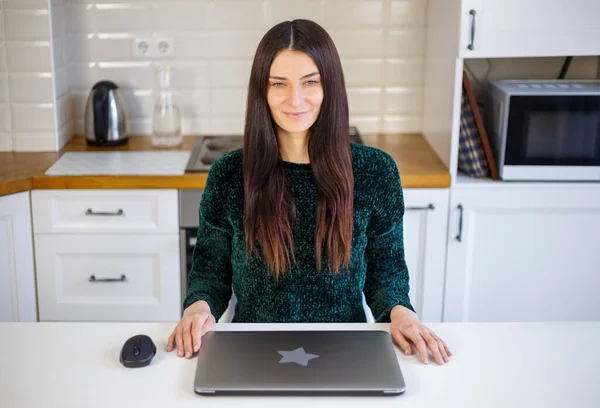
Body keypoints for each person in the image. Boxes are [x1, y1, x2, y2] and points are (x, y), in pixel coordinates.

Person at [167, 19, 452, 366]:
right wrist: (198, 307)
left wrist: (401, 312)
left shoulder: (376, 173)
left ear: (330, 86)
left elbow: (387, 274)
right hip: (251, 353)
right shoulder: (228, 175)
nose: (295, 99)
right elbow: (210, 274)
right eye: (279, 84)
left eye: (310, 82)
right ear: (262, 90)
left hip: (347, 351)